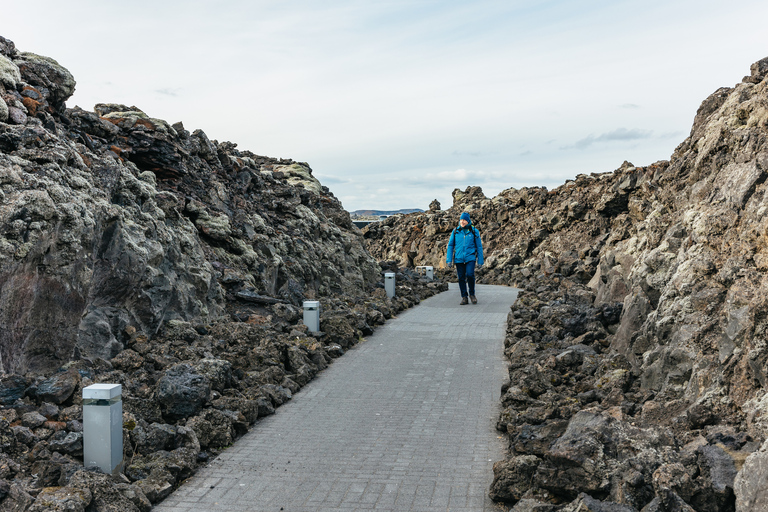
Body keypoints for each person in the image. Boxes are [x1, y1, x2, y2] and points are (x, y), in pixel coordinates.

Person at [446, 212, 484, 305]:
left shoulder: (474, 231)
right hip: (459, 258)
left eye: (464, 220)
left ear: (468, 221)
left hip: (470, 257)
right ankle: (464, 297)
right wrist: (449, 260)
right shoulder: (455, 231)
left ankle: (472, 294)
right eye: (461, 220)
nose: (462, 222)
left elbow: (479, 247)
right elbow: (450, 245)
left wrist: (480, 260)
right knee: (461, 278)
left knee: (470, 275)